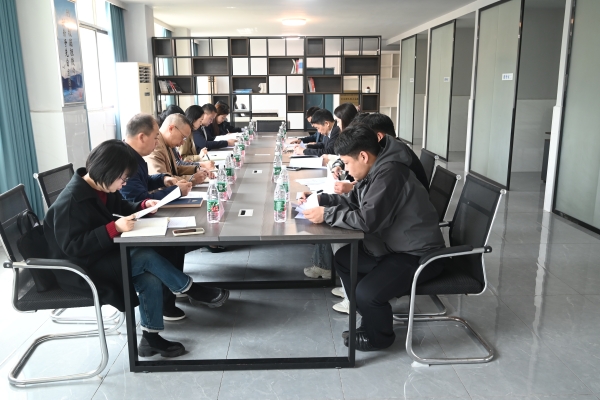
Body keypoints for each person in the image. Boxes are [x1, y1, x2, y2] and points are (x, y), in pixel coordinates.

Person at [43, 140, 229, 358]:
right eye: (122, 179)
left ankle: (150, 339)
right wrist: (113, 228)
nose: (123, 185)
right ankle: (189, 288)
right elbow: (72, 247)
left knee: (150, 277)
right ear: (108, 172)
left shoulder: (101, 185)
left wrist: (142, 205)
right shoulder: (71, 202)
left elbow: (121, 206)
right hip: (80, 269)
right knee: (145, 256)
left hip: (101, 255)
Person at [301, 125, 445, 351]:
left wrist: (327, 214)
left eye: (347, 163)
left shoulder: (390, 174)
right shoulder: (378, 168)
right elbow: (355, 201)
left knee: (367, 293)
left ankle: (379, 338)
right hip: (392, 246)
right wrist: (321, 200)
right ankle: (371, 318)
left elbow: (367, 220)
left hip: (419, 254)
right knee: (345, 259)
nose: (347, 170)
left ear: (363, 156)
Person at [303, 103, 358, 282]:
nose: (338, 125)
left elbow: (365, 213)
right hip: (353, 191)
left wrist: (327, 212)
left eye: (339, 121)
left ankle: (325, 266)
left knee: (327, 210)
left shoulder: (388, 169)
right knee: (323, 201)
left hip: (385, 239)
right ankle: (324, 264)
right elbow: (342, 158)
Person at [331, 113, 430, 194]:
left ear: (378, 137)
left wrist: (353, 189)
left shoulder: (393, 163)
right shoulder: (394, 150)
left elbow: (373, 207)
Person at [144, 113, 210, 185]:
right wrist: (192, 178)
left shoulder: (167, 143)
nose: (183, 143)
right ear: (171, 129)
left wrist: (196, 169)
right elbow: (161, 180)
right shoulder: (155, 146)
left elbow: (174, 169)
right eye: (183, 137)